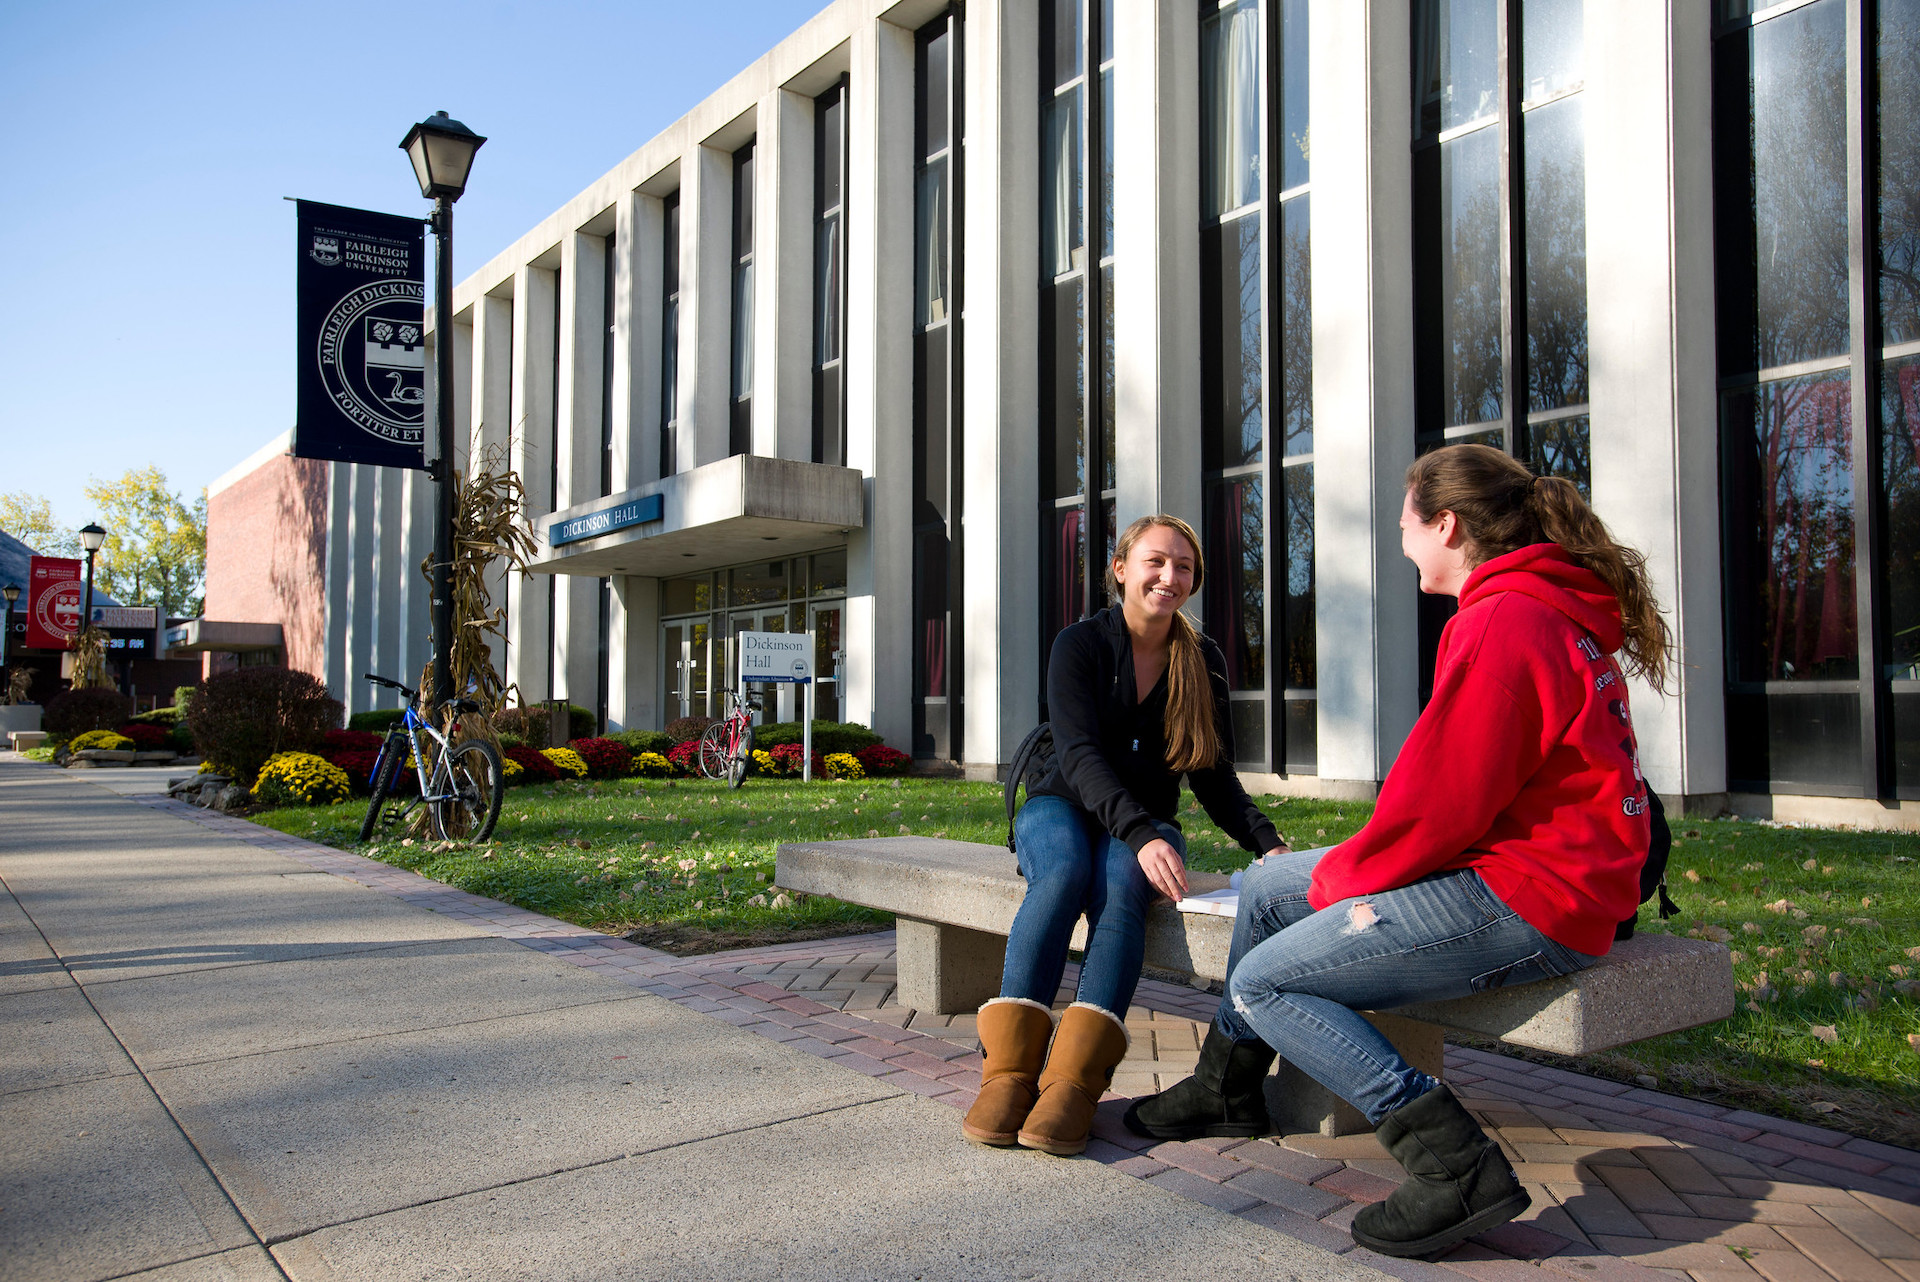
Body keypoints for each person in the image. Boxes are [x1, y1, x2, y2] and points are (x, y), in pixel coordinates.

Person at [1124, 445, 1670, 1260]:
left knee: (1265, 980)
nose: (1404, 541)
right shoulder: (1530, 607)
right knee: (1271, 884)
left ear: (1445, 524)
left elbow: (1435, 810)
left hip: (1532, 897)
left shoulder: (1503, 621)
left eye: (1407, 524)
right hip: (1523, 866)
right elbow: (1458, 799)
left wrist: (1347, 878)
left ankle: (1453, 1165)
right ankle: (1224, 1090)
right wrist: (1328, 872)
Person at [963, 514, 1289, 1156]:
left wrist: (1268, 845)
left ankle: (1072, 1084)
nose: (1170, 577)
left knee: (1120, 893)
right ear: (1120, 568)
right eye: (1156, 562)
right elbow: (1079, 754)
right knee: (1061, 878)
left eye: (1184, 568)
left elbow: (1213, 774)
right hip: (1062, 806)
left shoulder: (1202, 659)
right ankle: (1008, 1074)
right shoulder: (1079, 644)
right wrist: (1141, 832)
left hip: (1141, 829)